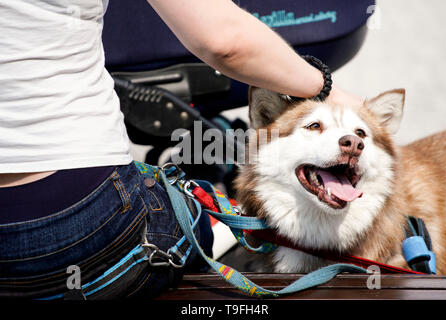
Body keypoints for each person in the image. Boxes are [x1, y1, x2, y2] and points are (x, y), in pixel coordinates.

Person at [0, 0, 363, 299]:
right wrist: (324, 87)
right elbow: (224, 41)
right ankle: (217, 219)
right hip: (83, 220)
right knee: (190, 217)